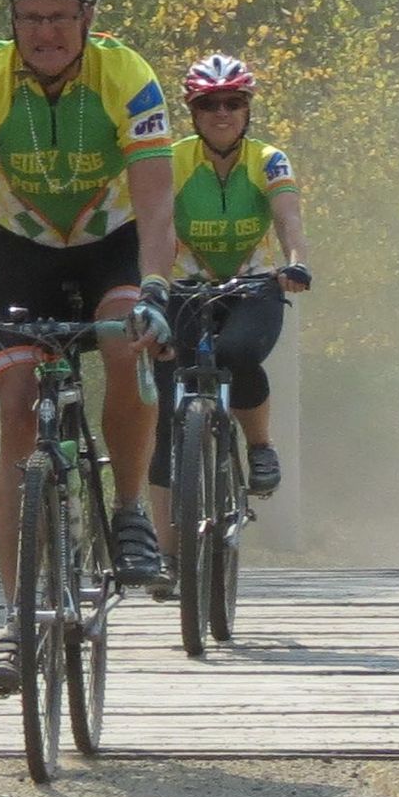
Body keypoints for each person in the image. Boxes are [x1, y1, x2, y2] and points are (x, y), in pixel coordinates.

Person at [0, 0, 180, 695]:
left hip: (112, 243)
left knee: (126, 342)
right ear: (12, 20)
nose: (45, 33)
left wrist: (157, 286)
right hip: (24, 246)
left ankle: (129, 508)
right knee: (15, 409)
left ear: (88, 17)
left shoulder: (127, 77)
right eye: (29, 17)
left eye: (60, 17)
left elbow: (159, 198)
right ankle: (14, 618)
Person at [148, 52, 312, 523]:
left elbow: (288, 217)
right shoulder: (173, 159)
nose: (222, 113)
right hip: (182, 286)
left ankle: (260, 446)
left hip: (253, 285)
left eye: (233, 102)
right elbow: (153, 223)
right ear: (193, 112)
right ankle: (168, 556)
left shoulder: (269, 160)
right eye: (208, 104)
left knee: (238, 351)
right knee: (163, 414)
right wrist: (147, 282)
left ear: (248, 109)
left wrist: (296, 264)